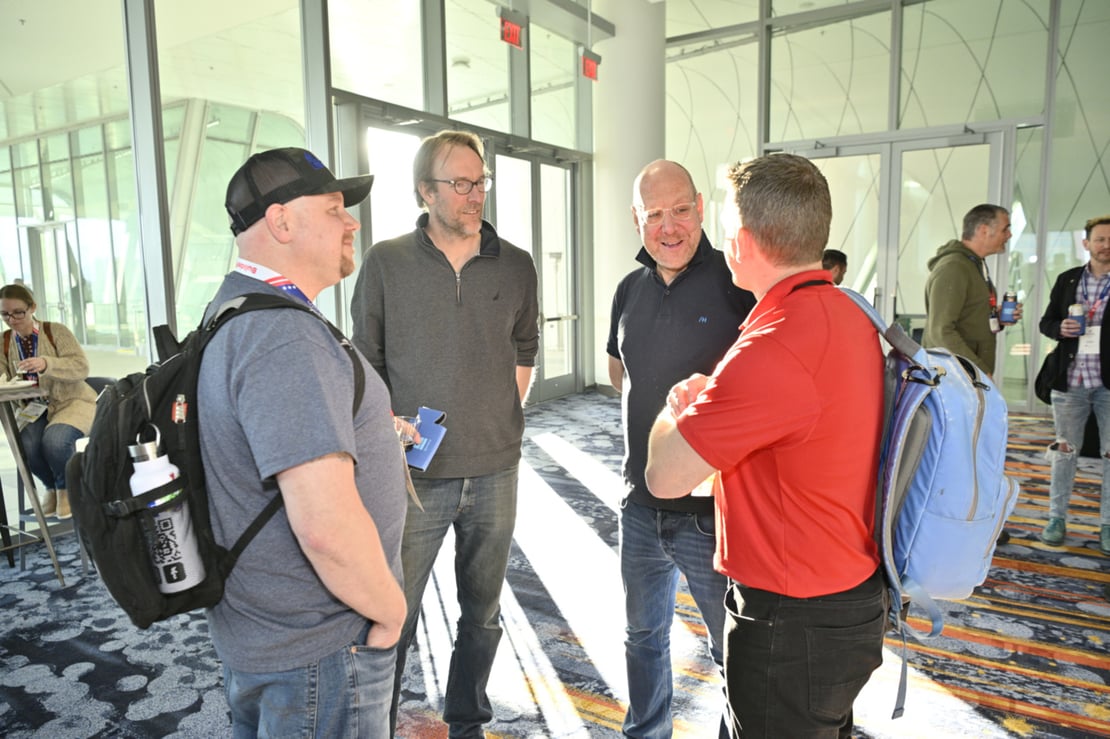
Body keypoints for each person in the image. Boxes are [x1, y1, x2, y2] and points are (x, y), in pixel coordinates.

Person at [644, 153, 887, 738]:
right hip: (840, 595)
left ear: (742, 242)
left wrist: (677, 403)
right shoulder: (848, 314)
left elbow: (664, 476)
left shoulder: (774, 349)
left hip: (792, 617)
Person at [199, 147, 408, 736]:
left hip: (270, 630)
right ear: (282, 221)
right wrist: (391, 612)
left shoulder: (235, 311)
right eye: (336, 207)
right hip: (319, 648)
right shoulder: (284, 338)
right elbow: (325, 527)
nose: (353, 222)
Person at [350, 129, 539, 738]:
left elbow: (525, 349)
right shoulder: (386, 262)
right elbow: (365, 362)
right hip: (413, 476)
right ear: (425, 191)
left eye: (479, 181)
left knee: (481, 614)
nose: (474, 194)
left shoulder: (515, 264)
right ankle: (375, 722)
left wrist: (496, 417)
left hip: (495, 470)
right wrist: (386, 434)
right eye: (459, 183)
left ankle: (466, 721)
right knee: (393, 613)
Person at [607, 159, 754, 738]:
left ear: (701, 205)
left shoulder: (736, 284)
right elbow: (622, 374)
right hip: (639, 504)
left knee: (731, 650)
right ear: (636, 220)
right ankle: (646, 732)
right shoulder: (627, 289)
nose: (670, 228)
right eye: (654, 216)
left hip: (712, 514)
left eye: (682, 211)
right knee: (643, 637)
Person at [1037, 214, 1110, 555]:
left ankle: (1107, 524)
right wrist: (1059, 328)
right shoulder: (1068, 281)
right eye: (1099, 239)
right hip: (1071, 383)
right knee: (1065, 453)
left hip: (1107, 385)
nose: (1105, 245)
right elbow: (1046, 321)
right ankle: (1056, 518)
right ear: (1087, 244)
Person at [1, 283, 96, 520]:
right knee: (26, 446)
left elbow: (81, 367)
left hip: (72, 402)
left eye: (18, 312)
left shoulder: (55, 331)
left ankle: (68, 489)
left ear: (32, 307)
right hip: (33, 408)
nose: (11, 320)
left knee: (55, 441)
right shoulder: (3, 342)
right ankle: (52, 487)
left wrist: (47, 364)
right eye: (5, 314)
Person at [923, 203, 1022, 376]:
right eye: (1005, 229)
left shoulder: (974, 264)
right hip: (953, 379)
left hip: (964, 377)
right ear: (984, 230)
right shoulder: (954, 267)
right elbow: (941, 331)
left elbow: (966, 317)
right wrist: (978, 371)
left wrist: (996, 318)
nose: (1009, 235)